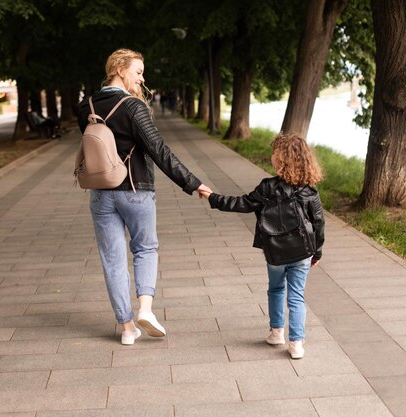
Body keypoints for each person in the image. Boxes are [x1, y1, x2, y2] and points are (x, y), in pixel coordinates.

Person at [77, 48, 212, 345]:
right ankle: (146, 310)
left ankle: (127, 329)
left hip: (100, 194)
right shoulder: (132, 107)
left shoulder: (84, 105)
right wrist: (193, 184)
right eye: (138, 72)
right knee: (145, 249)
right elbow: (159, 151)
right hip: (135, 191)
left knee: (112, 260)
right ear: (119, 69)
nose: (142, 78)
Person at [199, 133, 325, 359]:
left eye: (275, 153)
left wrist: (212, 197)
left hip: (275, 252)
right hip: (302, 252)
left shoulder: (268, 188)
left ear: (282, 160)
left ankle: (276, 332)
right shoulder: (309, 190)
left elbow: (241, 204)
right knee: (296, 297)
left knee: (276, 288)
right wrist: (317, 252)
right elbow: (318, 223)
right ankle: (296, 343)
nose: (271, 157)